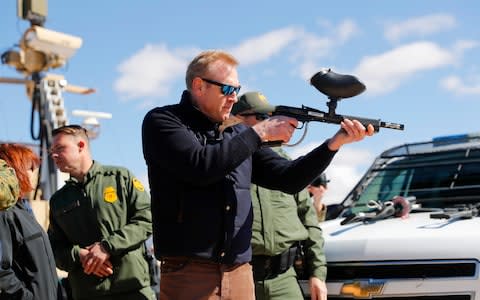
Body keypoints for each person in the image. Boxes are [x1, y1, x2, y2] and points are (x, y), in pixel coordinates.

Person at [142, 49, 374, 300]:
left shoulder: (237, 134)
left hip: (240, 272)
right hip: (190, 274)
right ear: (199, 86)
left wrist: (333, 144)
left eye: (237, 90)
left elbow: (289, 179)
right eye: (228, 90)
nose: (233, 98)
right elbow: (201, 167)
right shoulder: (163, 121)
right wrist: (259, 132)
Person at [232, 91, 327, 300]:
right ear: (237, 119)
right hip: (238, 278)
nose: (269, 123)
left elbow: (309, 221)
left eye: (271, 118)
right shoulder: (226, 161)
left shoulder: (288, 167)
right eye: (261, 117)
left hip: (284, 280)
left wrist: (317, 273)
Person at [47, 125, 155, 300]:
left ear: (81, 146)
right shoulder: (58, 201)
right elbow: (53, 249)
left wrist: (107, 247)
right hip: (88, 293)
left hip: (133, 289)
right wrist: (80, 256)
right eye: (52, 150)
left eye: (60, 148)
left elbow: (147, 219)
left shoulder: (120, 178)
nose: (54, 155)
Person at [0, 144, 58, 300]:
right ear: (13, 171)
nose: (35, 173)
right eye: (30, 168)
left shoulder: (24, 211)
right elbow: (2, 271)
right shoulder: (6, 213)